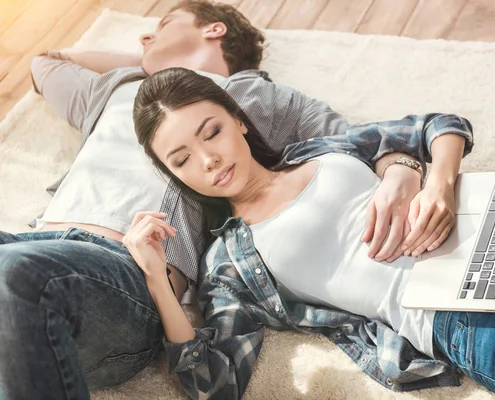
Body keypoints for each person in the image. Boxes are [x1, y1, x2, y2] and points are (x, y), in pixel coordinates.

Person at [1, 1, 462, 398]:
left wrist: (403, 171)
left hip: (119, 271)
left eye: (161, 26)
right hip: (42, 243)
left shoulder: (253, 98)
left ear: (213, 29)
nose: (146, 35)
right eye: (179, 156)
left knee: (14, 277)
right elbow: (47, 63)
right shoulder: (115, 90)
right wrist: (153, 71)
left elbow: (362, 141)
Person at [128, 67, 495, 400]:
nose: (207, 159)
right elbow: (213, 383)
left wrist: (436, 181)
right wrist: (156, 279)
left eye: (210, 132)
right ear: (175, 175)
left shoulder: (319, 149)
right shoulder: (230, 262)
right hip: (465, 319)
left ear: (239, 120)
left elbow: (441, 126)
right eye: (182, 159)